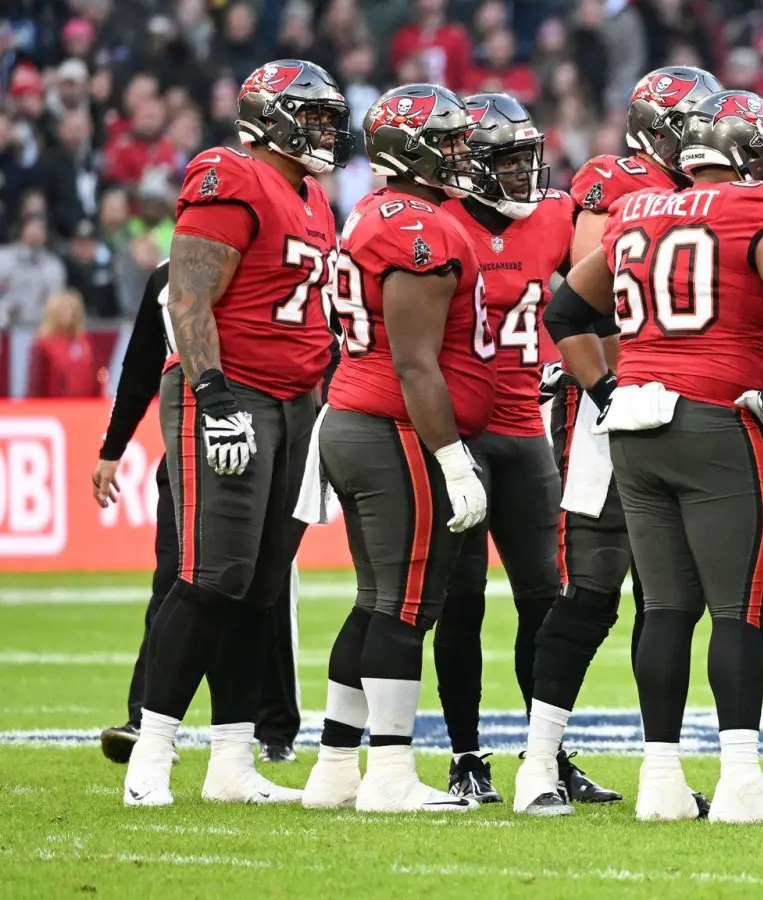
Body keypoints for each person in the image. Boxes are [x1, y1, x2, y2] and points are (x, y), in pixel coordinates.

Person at [541, 89, 763, 823]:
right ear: (744, 154)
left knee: (664, 608)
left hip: (636, 421)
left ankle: (661, 783)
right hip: (717, 417)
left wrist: (603, 389)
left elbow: (565, 311)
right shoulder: (759, 209)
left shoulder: (635, 210)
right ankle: (739, 786)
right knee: (738, 610)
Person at [122, 60, 350, 809]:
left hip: (295, 403)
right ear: (268, 117)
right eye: (310, 118)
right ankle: (151, 750)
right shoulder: (231, 174)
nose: (324, 132)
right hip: (229, 393)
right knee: (210, 575)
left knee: (257, 584)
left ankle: (231, 758)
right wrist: (213, 395)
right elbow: (186, 295)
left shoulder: (314, 195)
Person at [299, 83, 496, 814]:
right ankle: (388, 774)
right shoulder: (421, 228)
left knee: (376, 602)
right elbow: (417, 362)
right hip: (395, 427)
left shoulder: (372, 212)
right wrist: (451, 458)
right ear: (407, 149)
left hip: (357, 416)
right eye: (447, 141)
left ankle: (334, 769)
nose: (460, 153)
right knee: (407, 605)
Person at [432, 92, 616, 808]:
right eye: (505, 160)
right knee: (463, 601)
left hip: (525, 427)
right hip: (459, 431)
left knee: (545, 597)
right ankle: (464, 753)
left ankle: (547, 751)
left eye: (526, 159)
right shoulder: (437, 224)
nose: (522, 174)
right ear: (470, 164)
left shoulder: (555, 217)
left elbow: (598, 295)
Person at [548, 65, 723, 687]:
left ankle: (662, 768)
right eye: (695, 125)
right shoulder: (614, 177)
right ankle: (547, 755)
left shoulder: (716, 190)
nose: (710, 135)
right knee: (591, 588)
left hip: (688, 405)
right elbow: (589, 292)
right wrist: (608, 389)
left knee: (671, 595)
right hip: (612, 397)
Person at [94, 263, 306, 766]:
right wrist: (112, 447)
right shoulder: (166, 277)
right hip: (194, 442)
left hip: (270, 435)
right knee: (177, 578)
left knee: (265, 584)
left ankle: (274, 725)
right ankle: (145, 720)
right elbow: (142, 364)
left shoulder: (272, 263)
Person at [27, 289, 101, 398]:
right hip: (54, 405)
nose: (70, 312)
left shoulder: (85, 343)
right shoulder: (43, 344)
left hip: (85, 405)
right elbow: (36, 383)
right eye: (65, 308)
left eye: (74, 309)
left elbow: (97, 376)